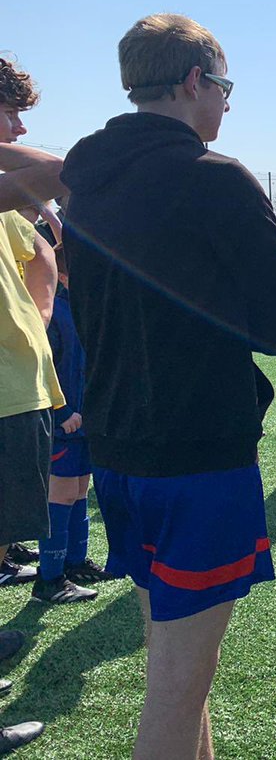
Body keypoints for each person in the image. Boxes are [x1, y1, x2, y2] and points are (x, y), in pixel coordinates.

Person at [62, 13, 276, 760]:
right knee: (176, 686)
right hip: (200, 457)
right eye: (224, 86)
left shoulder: (88, 176)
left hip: (119, 454)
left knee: (179, 671)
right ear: (195, 80)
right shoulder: (214, 177)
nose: (227, 104)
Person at [0, 54, 67, 754]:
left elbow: (45, 255)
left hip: (16, 389)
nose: (20, 125)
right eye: (9, 110)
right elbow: (54, 170)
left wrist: (36, 324)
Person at [34, 233, 114, 604]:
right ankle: (48, 580)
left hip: (88, 421)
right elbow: (42, 367)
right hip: (64, 423)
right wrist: (62, 410)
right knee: (62, 493)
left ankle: (76, 563)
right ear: (63, 276)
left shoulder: (87, 308)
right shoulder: (54, 313)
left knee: (81, 488)